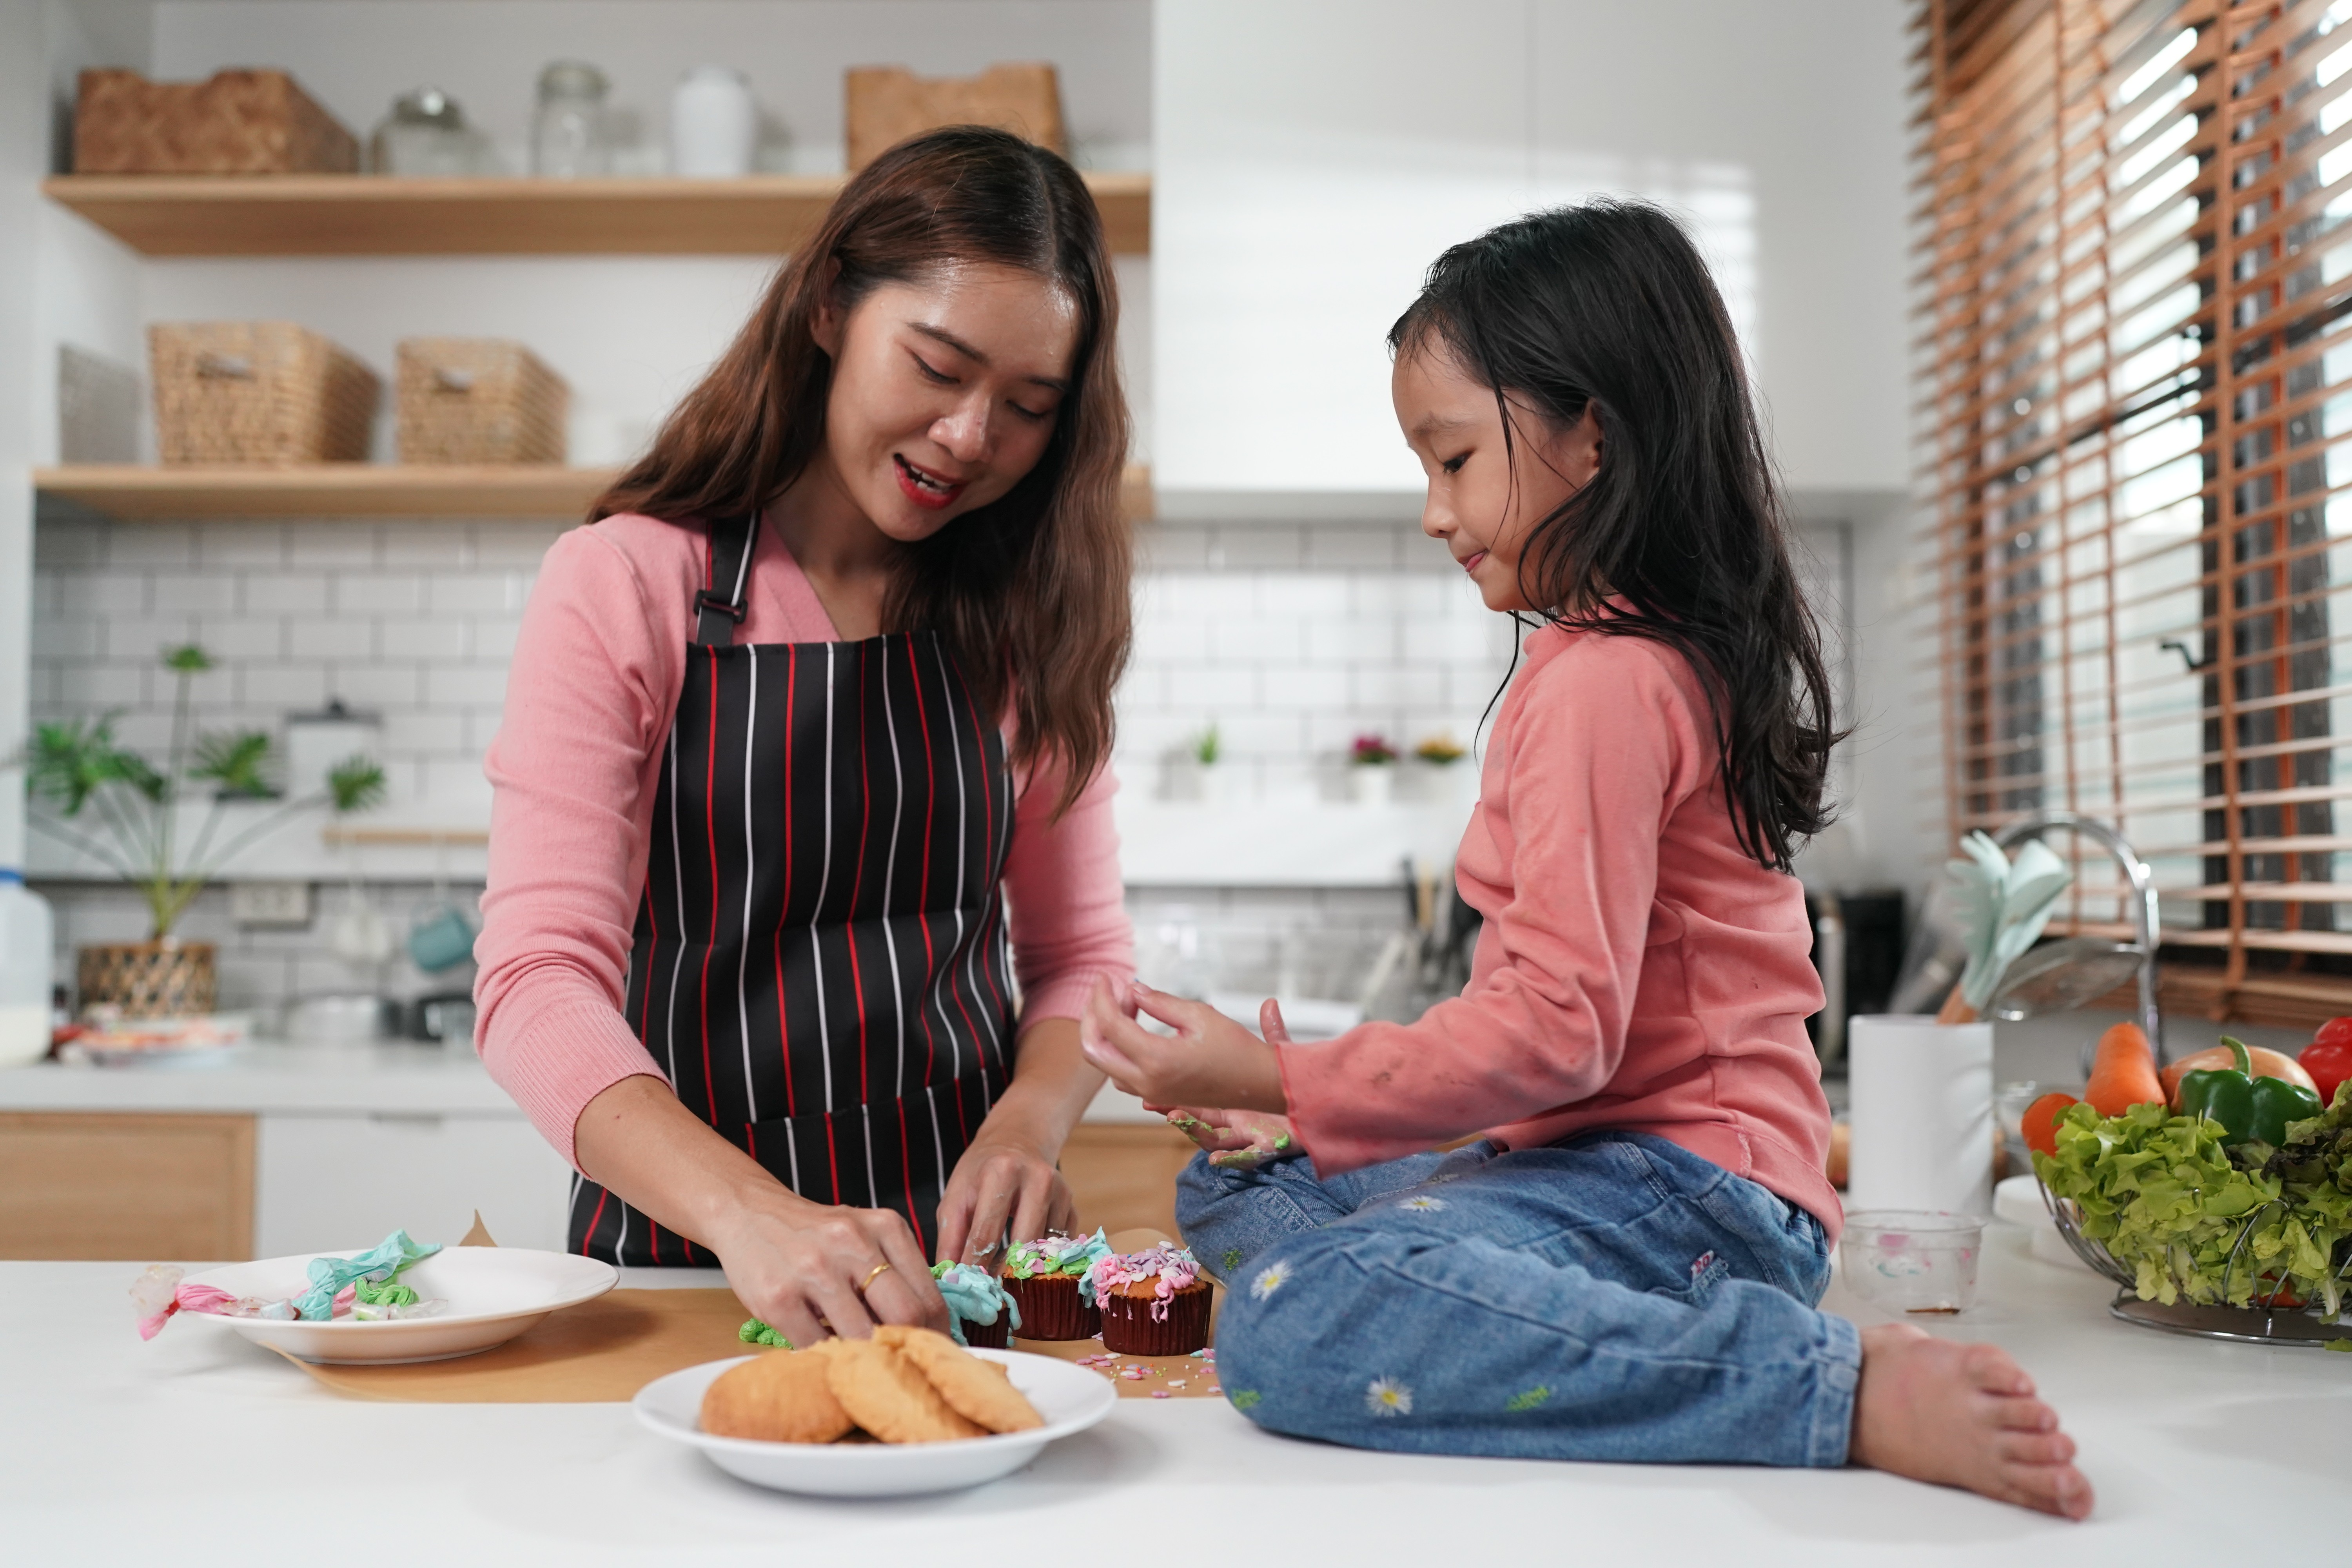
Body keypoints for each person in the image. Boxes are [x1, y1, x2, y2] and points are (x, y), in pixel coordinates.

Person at [1080, 200, 2094, 1519]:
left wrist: (1270, 1065)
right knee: (1242, 1178)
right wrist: (1300, 1114)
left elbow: (1558, 1031)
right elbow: (1565, 1052)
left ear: (1593, 436)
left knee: (1289, 1317)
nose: (1435, 511)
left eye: (1452, 458)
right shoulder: (1624, 661)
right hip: (1614, 1171)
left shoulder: (1605, 685)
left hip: (1691, 1195)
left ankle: (1829, 1389)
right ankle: (1509, 1292)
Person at [475, 127, 1135, 1348]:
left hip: (956, 1280)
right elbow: (534, 981)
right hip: (690, 1271)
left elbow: (1083, 951)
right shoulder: (625, 582)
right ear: (831, 306)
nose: (969, 437)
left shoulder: (1024, 616)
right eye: (937, 366)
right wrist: (753, 1217)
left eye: (1028, 406)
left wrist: (1025, 1127)